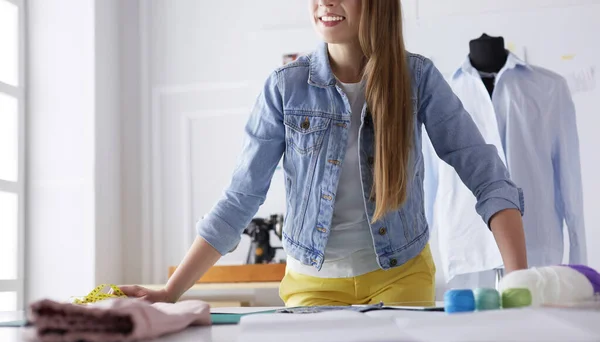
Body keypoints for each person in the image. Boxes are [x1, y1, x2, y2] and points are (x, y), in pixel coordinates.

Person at [121, 0, 528, 306]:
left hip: (401, 276)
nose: (325, 2)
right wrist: (170, 292)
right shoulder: (285, 87)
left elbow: (487, 174)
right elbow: (241, 196)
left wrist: (519, 283)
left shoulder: (417, 78)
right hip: (311, 283)